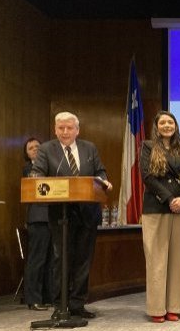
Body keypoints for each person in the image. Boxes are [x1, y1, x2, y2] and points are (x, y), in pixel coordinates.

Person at [31, 112, 112, 319]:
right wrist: (37, 178)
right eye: (61, 128)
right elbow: (37, 174)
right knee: (61, 259)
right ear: (55, 129)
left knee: (83, 260)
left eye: (69, 128)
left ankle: (77, 304)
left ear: (77, 130)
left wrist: (104, 180)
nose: (65, 132)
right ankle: (60, 305)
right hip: (60, 213)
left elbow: (100, 172)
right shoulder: (46, 149)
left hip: (87, 212)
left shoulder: (89, 148)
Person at [139, 111, 180, 323]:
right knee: (157, 260)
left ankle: (174, 306)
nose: (167, 125)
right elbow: (148, 176)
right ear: (157, 126)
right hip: (157, 208)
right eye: (163, 122)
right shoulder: (148, 146)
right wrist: (170, 198)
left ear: (176, 126)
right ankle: (156, 308)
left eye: (171, 122)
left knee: (178, 260)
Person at [22, 137, 52, 311]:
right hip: (38, 218)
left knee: (49, 260)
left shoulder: (50, 167)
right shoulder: (29, 169)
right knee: (37, 260)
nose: (35, 149)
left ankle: (46, 297)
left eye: (37, 146)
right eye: (30, 148)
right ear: (27, 154)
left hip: (52, 218)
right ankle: (32, 299)